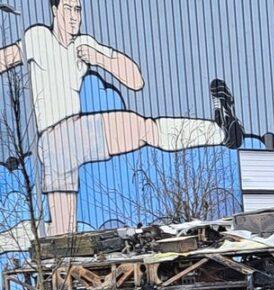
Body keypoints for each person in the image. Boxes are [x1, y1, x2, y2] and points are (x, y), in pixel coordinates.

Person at [0, 0, 243, 236]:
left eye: (78, 9)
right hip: (59, 138)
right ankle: (220, 133)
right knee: (141, 128)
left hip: (60, 151)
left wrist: (100, 59)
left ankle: (223, 133)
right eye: (68, 9)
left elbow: (136, 81)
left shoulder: (84, 43)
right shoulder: (39, 37)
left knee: (62, 236)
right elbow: (7, 57)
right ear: (54, 11)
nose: (74, 16)